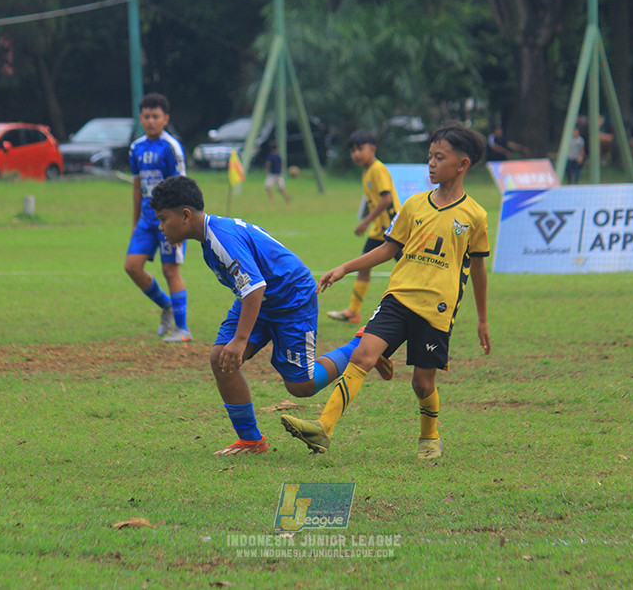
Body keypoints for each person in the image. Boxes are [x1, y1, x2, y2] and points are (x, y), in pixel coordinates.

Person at [281, 123, 492, 460]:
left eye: (440, 157)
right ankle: (323, 428)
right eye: (430, 157)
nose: (432, 164)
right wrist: (345, 267)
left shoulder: (475, 216)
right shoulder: (414, 205)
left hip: (436, 310)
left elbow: (478, 269)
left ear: (463, 164)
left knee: (422, 384)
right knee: (363, 355)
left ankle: (430, 436)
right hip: (397, 299)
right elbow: (388, 248)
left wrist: (482, 320)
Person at [149, 175, 393, 456]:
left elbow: (255, 288)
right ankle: (252, 441)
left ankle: (361, 346)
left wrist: (240, 341)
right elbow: (251, 289)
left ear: (185, 215)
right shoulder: (209, 238)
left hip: (291, 298)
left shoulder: (221, 238)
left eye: (163, 219)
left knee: (301, 386)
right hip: (260, 297)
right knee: (221, 358)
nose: (160, 227)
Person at [124, 93, 192, 342]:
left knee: (169, 270)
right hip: (146, 219)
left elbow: (182, 185)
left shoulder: (171, 147)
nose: (151, 121)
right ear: (140, 119)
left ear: (165, 119)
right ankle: (166, 306)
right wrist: (134, 222)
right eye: (147, 117)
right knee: (132, 266)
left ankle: (183, 329)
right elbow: (136, 186)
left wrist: (180, 224)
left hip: (170, 220)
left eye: (156, 117)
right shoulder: (137, 147)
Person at [326, 129, 402, 324]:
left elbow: (386, 199)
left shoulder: (377, 169)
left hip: (395, 229)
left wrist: (366, 221)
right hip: (380, 230)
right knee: (364, 267)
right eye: (352, 150)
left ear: (372, 149)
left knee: (410, 267)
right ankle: (353, 311)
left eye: (360, 149)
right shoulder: (367, 171)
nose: (356, 154)